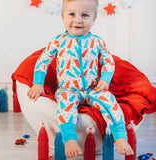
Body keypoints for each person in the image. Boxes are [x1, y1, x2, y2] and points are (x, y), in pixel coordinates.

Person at [27, 0, 134, 158]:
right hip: (67, 88)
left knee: (109, 100)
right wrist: (37, 84)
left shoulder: (97, 42)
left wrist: (104, 80)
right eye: (72, 14)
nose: (78, 20)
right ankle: (69, 138)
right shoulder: (58, 41)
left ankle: (120, 136)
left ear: (94, 18)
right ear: (63, 17)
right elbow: (42, 62)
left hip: (93, 89)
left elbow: (108, 62)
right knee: (65, 102)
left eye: (84, 15)